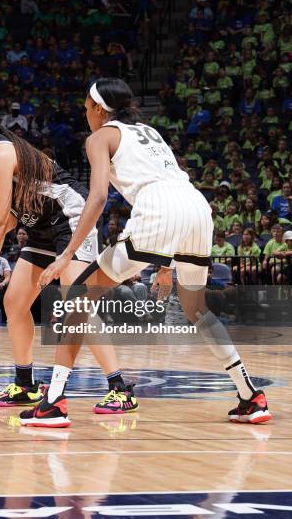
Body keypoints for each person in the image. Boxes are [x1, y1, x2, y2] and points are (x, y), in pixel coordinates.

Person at [23, 77, 272, 427]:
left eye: (86, 108)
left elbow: (96, 199)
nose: (85, 114)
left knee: (77, 300)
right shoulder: (149, 132)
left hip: (159, 209)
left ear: (98, 108)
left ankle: (53, 403)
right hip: (196, 206)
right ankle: (250, 395)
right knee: (197, 308)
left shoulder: (100, 137)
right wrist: (166, 264)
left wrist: (66, 255)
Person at [0, 100, 135, 416]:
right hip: (41, 227)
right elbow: (7, 220)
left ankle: (120, 389)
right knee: (14, 302)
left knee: (76, 303)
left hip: (71, 217)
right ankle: (25, 385)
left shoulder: (0, 154)